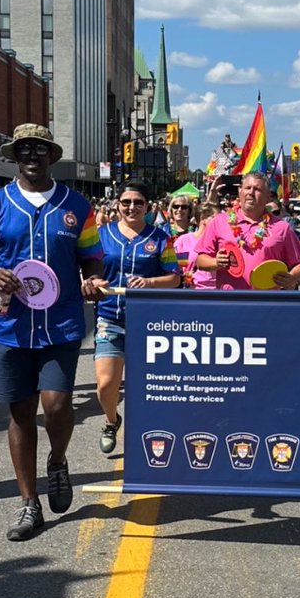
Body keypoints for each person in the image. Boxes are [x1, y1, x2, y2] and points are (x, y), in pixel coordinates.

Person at [0, 123, 103, 542]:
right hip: (11, 326)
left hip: (62, 324)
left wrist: (92, 281)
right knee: (21, 412)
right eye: (24, 149)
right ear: (15, 156)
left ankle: (57, 461)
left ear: (52, 156)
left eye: (40, 149)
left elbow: (92, 259)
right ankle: (28, 504)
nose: (31, 156)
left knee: (56, 405)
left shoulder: (77, 206)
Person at [90, 183, 181, 455]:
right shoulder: (100, 236)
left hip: (149, 323)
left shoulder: (161, 238)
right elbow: (86, 269)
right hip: (109, 317)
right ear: (117, 204)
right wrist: (92, 281)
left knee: (149, 387)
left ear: (148, 206)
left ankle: (151, 435)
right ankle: (111, 420)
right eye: (126, 201)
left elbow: (175, 278)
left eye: (138, 202)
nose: (132, 207)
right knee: (106, 385)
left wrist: (150, 281)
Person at [194, 173, 300, 290]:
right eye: (247, 188)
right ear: (240, 191)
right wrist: (215, 262)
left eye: (257, 189)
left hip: (266, 302)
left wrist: (292, 277)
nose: (251, 193)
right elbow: (200, 260)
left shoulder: (282, 227)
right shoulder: (219, 221)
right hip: (230, 302)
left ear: (268, 197)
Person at [174, 202, 219, 289]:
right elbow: (178, 270)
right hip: (192, 292)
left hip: (218, 292)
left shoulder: (220, 241)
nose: (219, 222)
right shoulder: (184, 241)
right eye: (215, 218)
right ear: (203, 218)